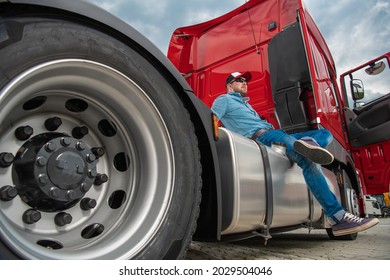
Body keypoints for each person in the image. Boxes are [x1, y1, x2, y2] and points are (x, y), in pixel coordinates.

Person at [211, 71, 379, 236]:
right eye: (239, 80)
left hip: (276, 134)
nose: (244, 82)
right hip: (263, 136)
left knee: (324, 136)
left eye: (245, 80)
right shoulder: (224, 99)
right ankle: (338, 216)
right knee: (302, 152)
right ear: (229, 86)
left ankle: (311, 149)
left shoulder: (247, 105)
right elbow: (212, 118)